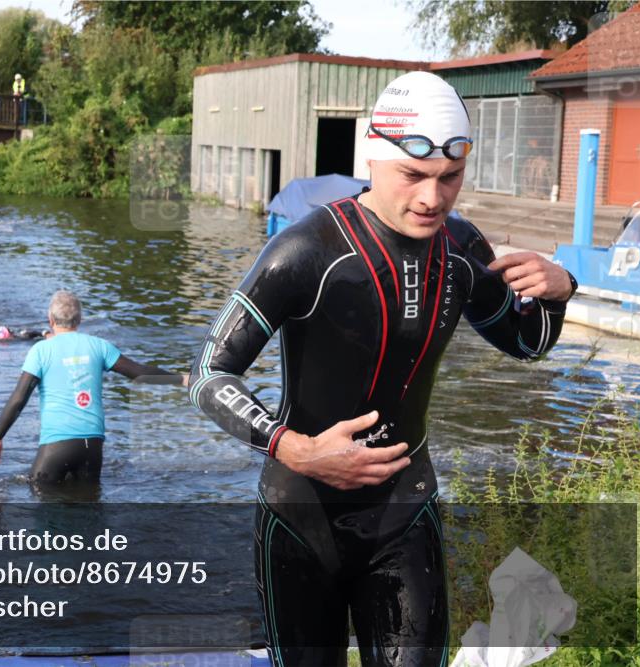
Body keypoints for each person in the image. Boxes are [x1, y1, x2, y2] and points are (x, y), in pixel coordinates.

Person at [188, 71, 577, 666]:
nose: (432, 198)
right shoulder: (306, 250)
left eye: (450, 176)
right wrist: (293, 448)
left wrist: (561, 288)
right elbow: (209, 374)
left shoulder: (461, 248)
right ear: (372, 157)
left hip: (405, 511)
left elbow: (528, 344)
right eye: (413, 175)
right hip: (302, 513)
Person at [0, 291, 187, 486]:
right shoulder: (100, 346)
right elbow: (139, 372)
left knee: (38, 494)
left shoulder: (40, 351)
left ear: (51, 319)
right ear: (80, 319)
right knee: (88, 502)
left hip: (57, 443)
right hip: (92, 445)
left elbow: (19, 398)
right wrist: (182, 379)